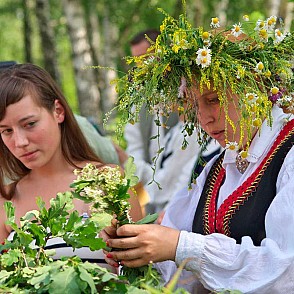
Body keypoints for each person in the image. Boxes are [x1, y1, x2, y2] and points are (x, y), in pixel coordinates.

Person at [100, 12, 294, 293]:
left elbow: (286, 268)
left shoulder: (289, 154)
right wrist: (132, 244)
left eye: (213, 100)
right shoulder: (217, 168)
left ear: (254, 86)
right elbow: (174, 248)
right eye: (193, 104)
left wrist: (181, 246)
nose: (203, 118)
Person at [0, 63, 142, 268]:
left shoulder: (107, 182)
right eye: (6, 131)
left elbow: (140, 274)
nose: (20, 142)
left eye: (29, 124)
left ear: (58, 111)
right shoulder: (7, 200)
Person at [124, 29, 218, 216]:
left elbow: (183, 176)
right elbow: (135, 149)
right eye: (136, 63)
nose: (141, 68)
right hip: (156, 199)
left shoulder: (193, 125)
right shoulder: (139, 104)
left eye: (145, 59)